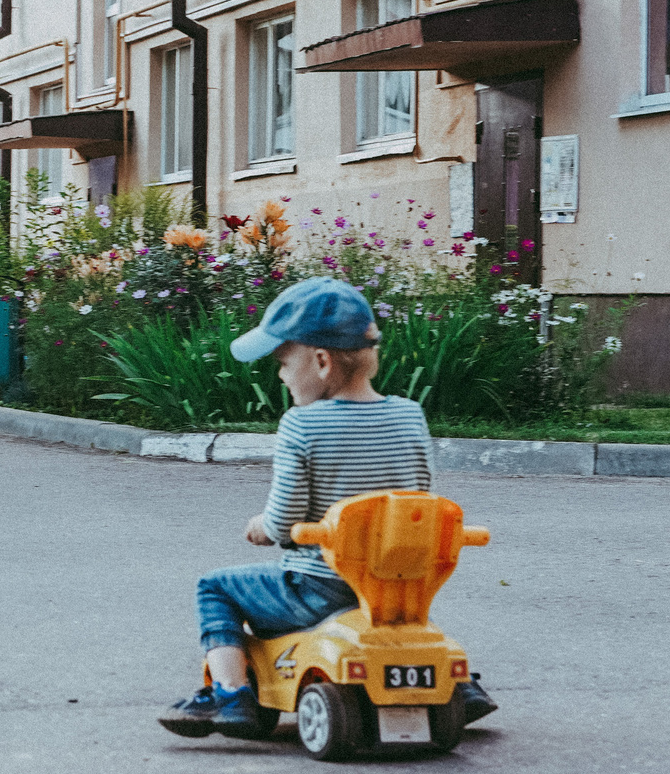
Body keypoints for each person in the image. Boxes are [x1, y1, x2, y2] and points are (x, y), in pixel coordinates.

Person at [159, 276, 498, 736]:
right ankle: (459, 688)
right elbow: (418, 498)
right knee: (406, 618)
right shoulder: (409, 416)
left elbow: (285, 520)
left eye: (282, 362)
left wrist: (264, 526)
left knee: (215, 588)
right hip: (394, 586)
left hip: (317, 589)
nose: (279, 375)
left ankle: (231, 695)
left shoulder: (302, 424)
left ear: (320, 362)